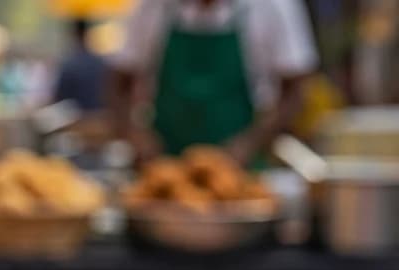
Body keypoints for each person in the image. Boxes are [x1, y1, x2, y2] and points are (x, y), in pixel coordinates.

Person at [110, 0, 318, 165]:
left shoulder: (271, 5)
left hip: (241, 164)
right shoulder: (152, 7)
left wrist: (252, 142)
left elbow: (296, 89)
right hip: (165, 155)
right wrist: (135, 135)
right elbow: (119, 82)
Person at [53, 20, 108, 112]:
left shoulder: (70, 65)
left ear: (73, 34)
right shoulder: (101, 63)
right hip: (100, 118)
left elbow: (60, 97)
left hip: (76, 120)